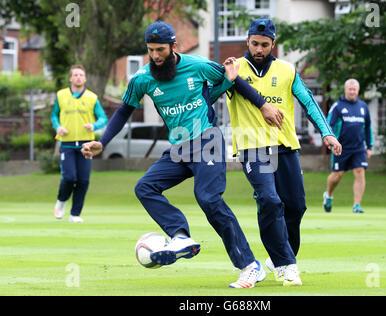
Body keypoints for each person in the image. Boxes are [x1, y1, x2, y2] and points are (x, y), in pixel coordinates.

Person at [81, 21, 282, 289]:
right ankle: (179, 235)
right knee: (145, 187)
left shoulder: (197, 65)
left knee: (208, 198)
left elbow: (233, 80)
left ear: (173, 47)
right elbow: (123, 112)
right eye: (150, 50)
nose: (155, 56)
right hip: (179, 149)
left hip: (208, 139)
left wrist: (264, 105)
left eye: (160, 49)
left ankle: (250, 266)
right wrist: (102, 142)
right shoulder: (142, 79)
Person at [211, 18, 342, 286]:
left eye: (265, 45)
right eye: (255, 43)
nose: (259, 49)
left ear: (273, 44)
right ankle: (285, 265)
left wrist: (327, 132)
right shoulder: (234, 69)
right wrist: (227, 81)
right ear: (247, 41)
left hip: (285, 146)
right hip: (251, 146)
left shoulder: (287, 70)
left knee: (296, 206)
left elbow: (308, 101)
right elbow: (211, 95)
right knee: (270, 200)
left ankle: (279, 255)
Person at [51, 65, 108, 223]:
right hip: (67, 144)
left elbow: (103, 118)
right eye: (75, 75)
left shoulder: (92, 97)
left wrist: (94, 126)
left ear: (85, 78)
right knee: (69, 178)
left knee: (83, 180)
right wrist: (58, 127)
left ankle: (75, 214)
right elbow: (54, 115)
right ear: (70, 78)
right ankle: (61, 203)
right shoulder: (61, 95)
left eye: (81, 75)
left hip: (86, 145)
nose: (78, 77)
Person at [323, 78, 374, 214]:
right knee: (337, 175)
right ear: (345, 90)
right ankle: (328, 195)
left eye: (354, 89)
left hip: (358, 148)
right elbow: (329, 125)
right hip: (341, 148)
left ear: (358, 91)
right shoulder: (338, 106)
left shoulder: (363, 107)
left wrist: (369, 146)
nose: (352, 92)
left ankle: (356, 205)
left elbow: (368, 127)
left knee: (360, 172)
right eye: (350, 89)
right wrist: (331, 141)